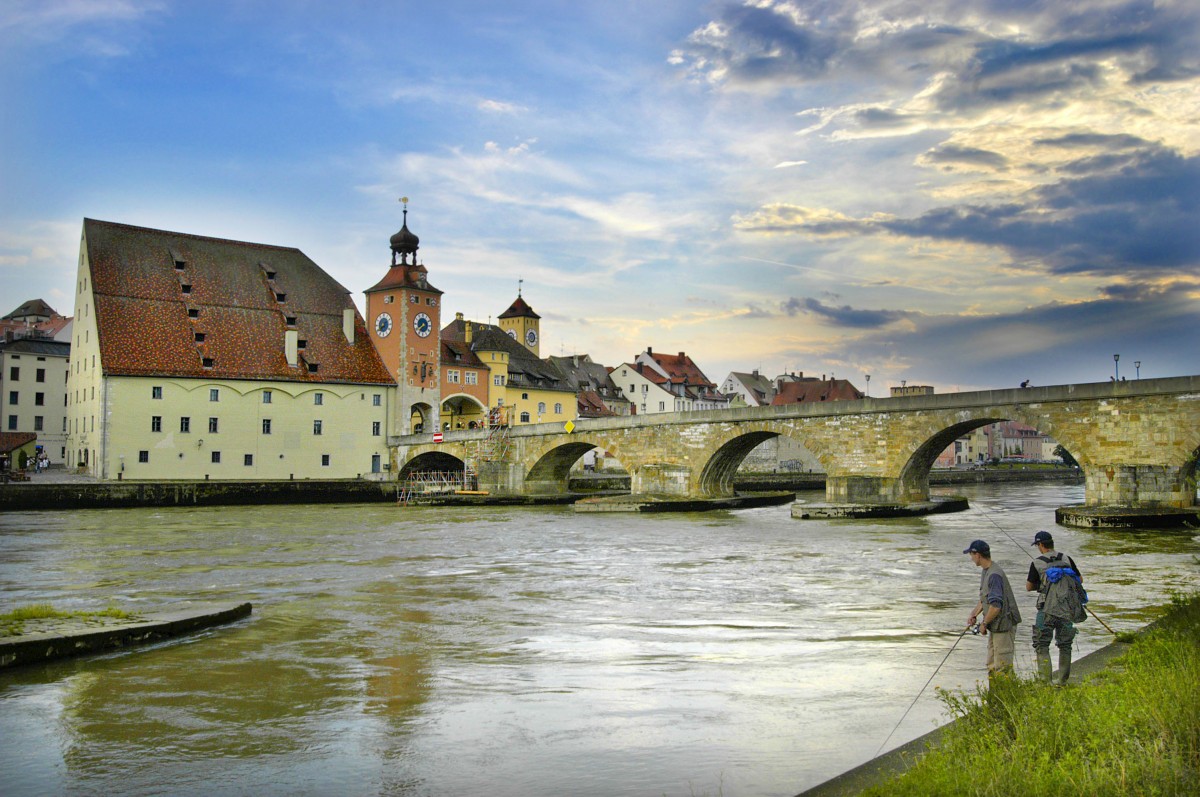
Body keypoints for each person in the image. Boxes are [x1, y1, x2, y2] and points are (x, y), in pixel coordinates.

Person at [1025, 530, 1081, 685]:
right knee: (1065, 645)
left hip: (1046, 609)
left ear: (1041, 545)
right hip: (1066, 608)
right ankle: (1062, 680)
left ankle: (1045, 682)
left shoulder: (1037, 563)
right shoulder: (1066, 558)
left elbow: (1028, 587)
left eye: (1037, 545)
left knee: (1041, 644)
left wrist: (1043, 584)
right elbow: (1079, 579)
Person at [964, 539, 1022, 681]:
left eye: (971, 555)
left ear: (977, 555)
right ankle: (994, 699)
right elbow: (985, 599)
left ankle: (1006, 700)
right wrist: (974, 614)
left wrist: (983, 624)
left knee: (1002, 667)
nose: (971, 558)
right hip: (996, 626)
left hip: (1004, 625)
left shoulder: (994, 575)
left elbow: (996, 606)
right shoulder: (986, 571)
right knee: (991, 664)